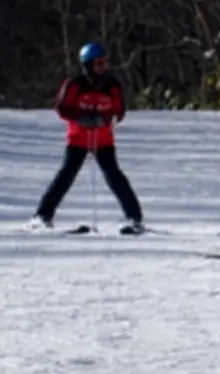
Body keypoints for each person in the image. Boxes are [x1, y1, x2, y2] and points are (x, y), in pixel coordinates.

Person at [29, 42, 144, 234]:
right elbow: (62, 108)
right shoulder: (75, 84)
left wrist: (105, 119)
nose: (103, 67)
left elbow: (119, 111)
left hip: (103, 140)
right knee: (65, 176)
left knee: (115, 177)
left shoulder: (112, 85)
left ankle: (134, 218)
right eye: (99, 63)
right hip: (78, 139)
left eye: (105, 62)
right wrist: (79, 118)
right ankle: (42, 216)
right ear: (88, 64)